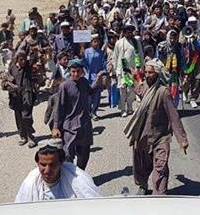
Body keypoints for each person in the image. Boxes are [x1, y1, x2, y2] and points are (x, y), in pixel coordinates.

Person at [124, 59, 189, 195]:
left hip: (160, 137)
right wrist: (131, 74)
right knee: (141, 165)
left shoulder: (163, 92)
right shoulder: (144, 87)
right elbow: (137, 87)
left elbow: (173, 116)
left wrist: (182, 139)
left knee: (161, 166)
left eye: (150, 73)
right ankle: (143, 185)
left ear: (157, 74)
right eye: (146, 72)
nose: (147, 75)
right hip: (143, 135)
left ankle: (160, 194)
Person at [51, 59, 108, 170]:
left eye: (78, 71)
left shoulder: (84, 82)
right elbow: (59, 107)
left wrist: (98, 80)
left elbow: (91, 91)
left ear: (82, 71)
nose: (76, 74)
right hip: (70, 126)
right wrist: (55, 127)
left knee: (84, 155)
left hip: (84, 125)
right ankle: (69, 180)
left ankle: (80, 177)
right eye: (73, 71)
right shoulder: (65, 86)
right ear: (69, 71)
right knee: (68, 156)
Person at [14, 139, 101, 202]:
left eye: (52, 165)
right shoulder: (30, 183)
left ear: (61, 162)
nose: (47, 170)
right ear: (37, 163)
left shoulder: (78, 179)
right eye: (43, 165)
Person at [3, 52, 41, 148]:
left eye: (25, 59)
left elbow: (33, 55)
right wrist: (10, 85)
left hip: (27, 95)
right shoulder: (12, 68)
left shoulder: (28, 68)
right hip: (15, 97)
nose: (23, 61)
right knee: (19, 118)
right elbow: (4, 82)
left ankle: (30, 136)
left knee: (26, 116)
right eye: (21, 60)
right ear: (17, 60)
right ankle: (23, 136)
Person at [114, 24, 144, 117]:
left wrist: (141, 68)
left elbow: (140, 55)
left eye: (131, 32)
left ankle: (130, 106)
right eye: (128, 33)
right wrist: (116, 70)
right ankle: (123, 109)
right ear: (124, 33)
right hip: (122, 70)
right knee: (123, 91)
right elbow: (115, 57)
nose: (130, 34)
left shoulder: (136, 42)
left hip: (134, 70)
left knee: (132, 90)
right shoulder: (119, 43)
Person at [83, 35, 107, 120]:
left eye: (98, 41)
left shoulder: (100, 53)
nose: (96, 43)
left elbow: (104, 64)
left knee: (97, 96)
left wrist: (102, 72)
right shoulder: (86, 52)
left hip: (98, 76)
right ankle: (88, 111)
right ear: (91, 42)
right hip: (88, 76)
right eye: (94, 41)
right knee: (88, 96)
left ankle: (94, 112)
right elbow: (83, 63)